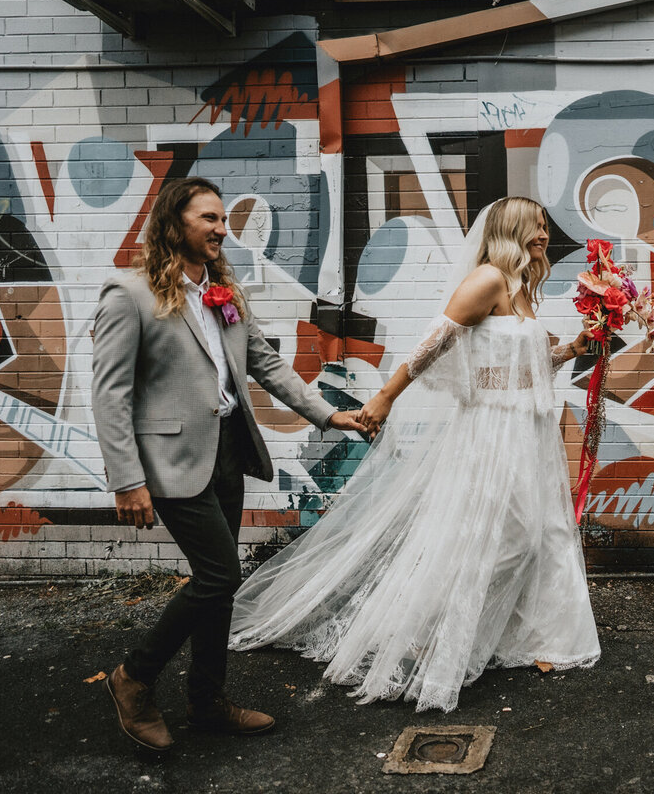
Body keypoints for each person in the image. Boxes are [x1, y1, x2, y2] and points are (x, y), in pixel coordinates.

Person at [228, 197, 607, 713]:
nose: (544, 235)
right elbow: (434, 343)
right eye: (536, 227)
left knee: (536, 534)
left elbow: (517, 366)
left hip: (527, 432)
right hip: (492, 433)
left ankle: (506, 637)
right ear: (509, 230)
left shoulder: (520, 289)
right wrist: (385, 395)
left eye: (544, 227)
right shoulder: (488, 281)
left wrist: (570, 349)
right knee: (494, 537)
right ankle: (423, 635)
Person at [91, 176, 365, 751]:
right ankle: (134, 677)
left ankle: (207, 702)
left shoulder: (224, 291)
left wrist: (326, 414)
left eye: (222, 220)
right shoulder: (129, 293)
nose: (221, 229)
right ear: (175, 224)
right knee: (219, 575)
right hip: (167, 460)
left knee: (218, 588)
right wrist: (127, 480)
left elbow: (265, 362)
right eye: (209, 219)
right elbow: (109, 393)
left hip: (226, 451)